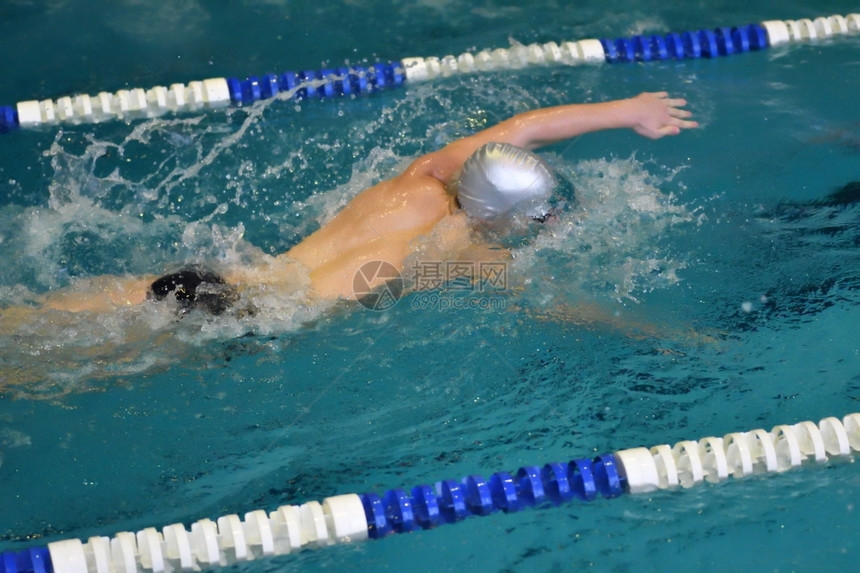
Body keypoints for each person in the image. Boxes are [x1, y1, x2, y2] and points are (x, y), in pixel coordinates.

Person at [7, 92, 697, 319]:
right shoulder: (463, 252)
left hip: (221, 275)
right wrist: (665, 338)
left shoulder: (422, 177)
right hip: (248, 321)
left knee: (34, 322)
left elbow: (519, 130)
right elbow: (555, 303)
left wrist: (625, 111)